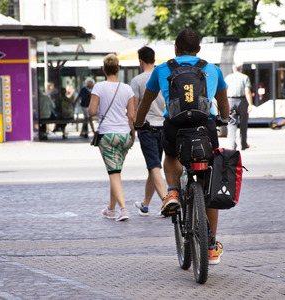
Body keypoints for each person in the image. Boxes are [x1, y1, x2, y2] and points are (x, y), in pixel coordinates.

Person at [134, 29, 230, 264]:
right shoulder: (212, 69)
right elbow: (223, 102)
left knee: (171, 156)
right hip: (205, 128)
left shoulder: (162, 69)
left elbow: (146, 101)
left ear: (175, 49)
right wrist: (224, 119)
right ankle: (210, 245)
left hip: (174, 127)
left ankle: (174, 191)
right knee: (208, 187)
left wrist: (139, 124)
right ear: (199, 50)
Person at [88, 53, 136, 222]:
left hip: (107, 135)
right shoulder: (127, 89)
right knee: (115, 171)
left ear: (103, 70)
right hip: (124, 135)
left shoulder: (99, 87)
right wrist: (133, 135)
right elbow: (131, 115)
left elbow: (92, 111)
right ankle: (111, 208)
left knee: (114, 173)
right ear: (118, 69)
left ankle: (123, 209)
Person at [130, 46, 167, 217]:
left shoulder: (137, 81)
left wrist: (133, 129)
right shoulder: (164, 76)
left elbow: (135, 108)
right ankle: (145, 204)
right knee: (154, 168)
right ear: (154, 58)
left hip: (147, 128)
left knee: (154, 167)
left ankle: (168, 202)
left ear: (140, 61)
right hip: (165, 126)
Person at [225, 63, 254, 150]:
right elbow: (247, 91)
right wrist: (250, 104)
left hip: (230, 101)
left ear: (233, 68)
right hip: (242, 101)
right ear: (241, 68)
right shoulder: (245, 77)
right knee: (243, 123)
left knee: (231, 123)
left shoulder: (228, 78)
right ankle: (243, 144)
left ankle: (232, 145)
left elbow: (224, 91)